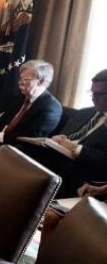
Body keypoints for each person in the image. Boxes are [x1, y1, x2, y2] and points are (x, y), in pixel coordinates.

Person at [17, 69, 107, 197]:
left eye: (99, 94)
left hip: (82, 171)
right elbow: (65, 135)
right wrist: (57, 139)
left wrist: (76, 149)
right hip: (57, 159)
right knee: (21, 152)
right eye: (91, 93)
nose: (93, 99)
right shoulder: (84, 113)